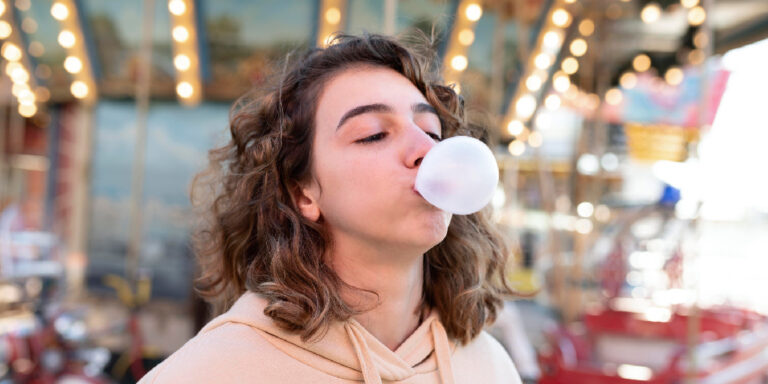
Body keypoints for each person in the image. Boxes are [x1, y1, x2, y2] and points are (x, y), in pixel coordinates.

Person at [139, 33, 522, 384]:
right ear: (303, 194)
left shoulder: (490, 367)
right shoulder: (210, 373)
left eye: (432, 131)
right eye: (373, 134)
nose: (427, 149)